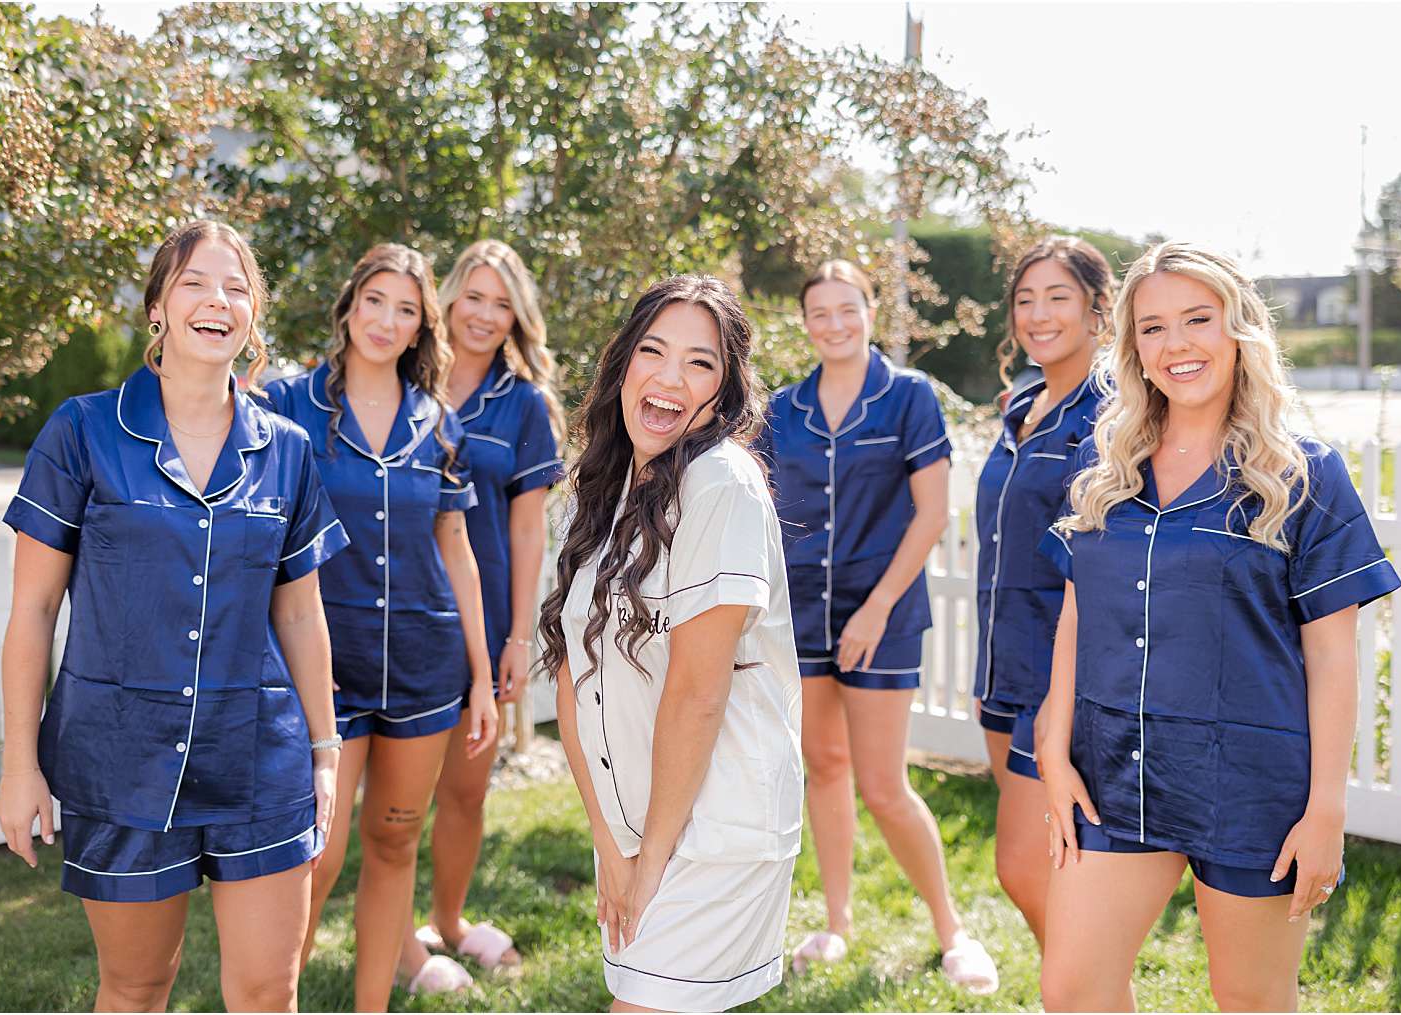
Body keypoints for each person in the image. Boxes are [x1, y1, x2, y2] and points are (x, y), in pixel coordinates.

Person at [1036, 241, 1401, 1011]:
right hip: (1115, 771)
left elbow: (1333, 652)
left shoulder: (1302, 472)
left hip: (1250, 781)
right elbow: (1076, 613)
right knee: (1072, 989)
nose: (1177, 344)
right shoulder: (1104, 467)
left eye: (1198, 319)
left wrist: (1327, 810)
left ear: (1240, 329)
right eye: (1153, 327)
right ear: (1133, 346)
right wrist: (1051, 744)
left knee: (1250, 999)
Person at [0, 220, 348, 1012]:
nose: (216, 301)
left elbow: (300, 617)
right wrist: (21, 761)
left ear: (253, 315)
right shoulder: (82, 431)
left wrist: (324, 750)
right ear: (157, 307)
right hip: (119, 758)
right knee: (135, 986)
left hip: (259, 759)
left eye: (236, 288)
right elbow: (33, 609)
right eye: (194, 282)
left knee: (268, 989)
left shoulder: (287, 450)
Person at [537, 275, 803, 1012]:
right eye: (652, 351)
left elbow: (698, 689)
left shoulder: (721, 482)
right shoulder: (611, 483)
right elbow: (573, 670)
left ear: (721, 393)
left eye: (699, 362)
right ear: (623, 365)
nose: (669, 376)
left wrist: (648, 856)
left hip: (714, 824)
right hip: (638, 822)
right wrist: (612, 844)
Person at [262, 243, 499, 1007]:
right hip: (324, 670)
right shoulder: (287, 406)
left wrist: (484, 679)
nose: (386, 320)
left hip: (426, 668)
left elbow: (456, 550)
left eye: (405, 308)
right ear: (349, 305)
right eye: (375, 300)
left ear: (420, 326)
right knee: (317, 859)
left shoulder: (439, 423)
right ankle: (277, 998)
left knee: (395, 840)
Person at [760, 259, 998, 993]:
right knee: (822, 767)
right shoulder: (781, 409)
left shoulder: (909, 399)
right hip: (798, 613)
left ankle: (951, 929)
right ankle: (836, 921)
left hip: (883, 613)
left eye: (847, 309)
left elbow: (931, 513)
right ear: (805, 322)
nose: (833, 323)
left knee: (884, 784)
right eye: (819, 312)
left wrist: (874, 607)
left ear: (869, 311)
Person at [401, 239, 564, 975]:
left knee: (465, 790)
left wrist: (517, 637)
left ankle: (447, 919)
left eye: (503, 304)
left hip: (482, 618)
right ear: (449, 298)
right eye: (475, 296)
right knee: (391, 799)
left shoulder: (523, 405)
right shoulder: (400, 378)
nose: (487, 315)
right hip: (392, 611)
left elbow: (529, 527)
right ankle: (398, 939)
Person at [973, 237, 1113, 945]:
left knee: (1027, 869)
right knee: (1049, 871)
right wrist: (986, 672)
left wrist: (1057, 699)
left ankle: (1091, 989)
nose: (1038, 313)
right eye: (1025, 299)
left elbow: (1098, 567)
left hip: (1060, 684)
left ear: (1097, 309)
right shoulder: (1021, 406)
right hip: (1002, 676)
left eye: (1058, 296)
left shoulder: (1111, 416)